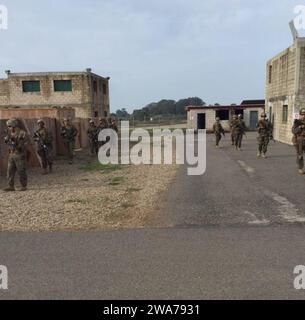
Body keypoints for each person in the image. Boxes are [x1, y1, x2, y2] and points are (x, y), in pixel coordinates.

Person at [3, 119, 30, 192]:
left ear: (14, 126)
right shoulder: (10, 134)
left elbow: (27, 143)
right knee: (10, 171)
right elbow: (7, 143)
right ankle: (10, 186)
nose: (9, 128)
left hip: (20, 154)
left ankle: (23, 186)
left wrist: (19, 146)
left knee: (21, 170)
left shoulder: (22, 133)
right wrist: (7, 140)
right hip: (12, 154)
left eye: (10, 126)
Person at [292, 108, 305, 174]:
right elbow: (293, 131)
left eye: (304, 114)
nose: (303, 116)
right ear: (300, 115)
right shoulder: (297, 122)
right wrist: (300, 127)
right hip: (300, 140)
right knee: (300, 155)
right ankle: (300, 168)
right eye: (302, 114)